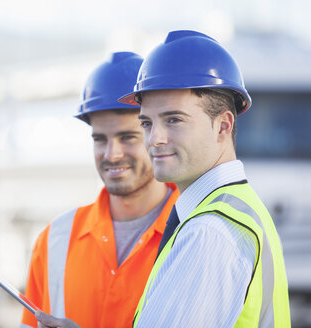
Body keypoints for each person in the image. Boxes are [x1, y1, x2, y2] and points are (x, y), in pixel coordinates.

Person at [116, 30, 290, 327]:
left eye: (173, 120)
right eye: (147, 122)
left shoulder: (210, 233)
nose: (154, 139)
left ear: (223, 126)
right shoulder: (233, 211)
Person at [20, 52, 179, 328]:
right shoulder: (54, 241)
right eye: (100, 139)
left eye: (127, 137)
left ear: (157, 136)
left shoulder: (191, 232)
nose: (112, 154)